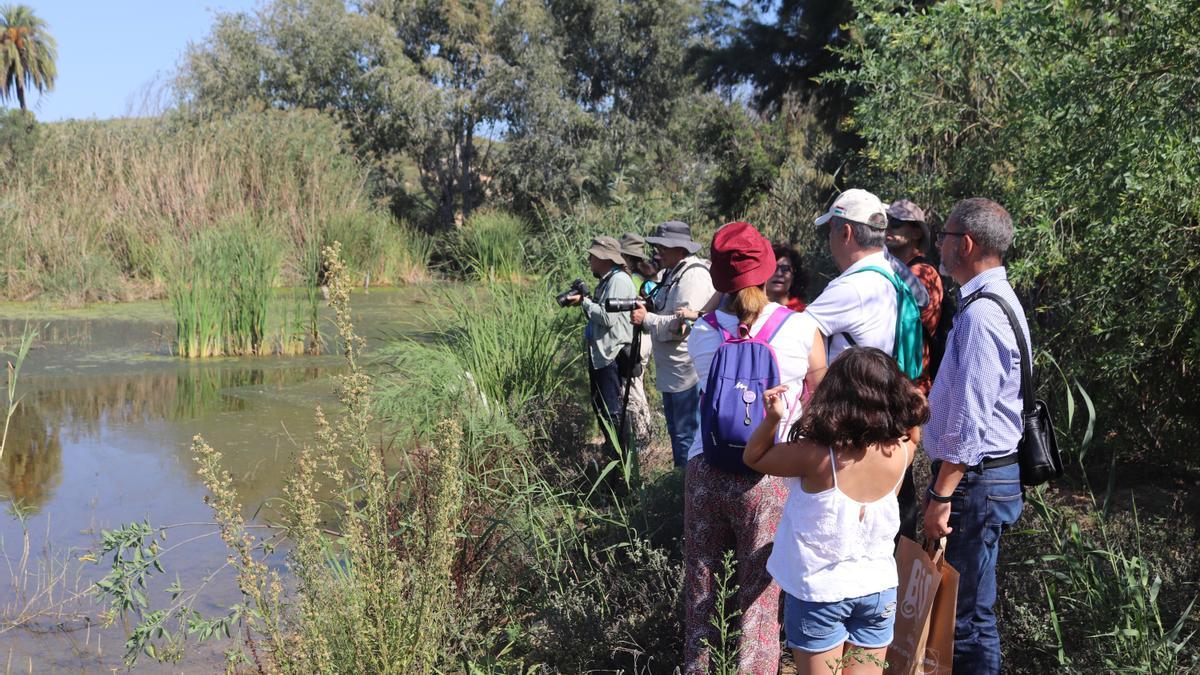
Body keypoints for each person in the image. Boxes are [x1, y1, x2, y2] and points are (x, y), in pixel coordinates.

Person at [683, 221, 826, 673]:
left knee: (701, 587)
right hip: (768, 471)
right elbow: (820, 395)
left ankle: (699, 667)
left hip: (705, 468)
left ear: (719, 279)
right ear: (767, 271)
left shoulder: (702, 334)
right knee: (759, 598)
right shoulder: (802, 328)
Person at [744, 347, 929, 675]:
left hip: (820, 592)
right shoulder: (901, 451)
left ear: (836, 394)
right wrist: (914, 402)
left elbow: (754, 457)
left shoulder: (815, 456)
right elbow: (914, 430)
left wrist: (773, 417)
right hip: (878, 589)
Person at [922, 198, 1028, 675]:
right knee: (970, 613)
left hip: (975, 484)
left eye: (943, 236)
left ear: (964, 244)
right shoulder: (991, 302)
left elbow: (970, 423)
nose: (938, 246)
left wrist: (940, 493)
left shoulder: (983, 315)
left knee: (962, 619)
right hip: (985, 480)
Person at [804, 188, 923, 542]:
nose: (829, 240)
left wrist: (818, 398)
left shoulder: (852, 287)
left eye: (830, 231)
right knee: (895, 520)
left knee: (857, 528)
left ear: (846, 233)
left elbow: (802, 332)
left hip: (857, 425)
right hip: (896, 413)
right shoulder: (896, 271)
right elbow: (926, 298)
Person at [630, 221, 716, 468]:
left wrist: (646, 318)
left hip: (686, 374)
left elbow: (683, 326)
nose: (657, 251)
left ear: (680, 249)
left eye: (663, 247)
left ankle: (687, 495)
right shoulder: (673, 271)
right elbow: (670, 310)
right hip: (673, 373)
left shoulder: (694, 276)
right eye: (657, 246)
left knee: (686, 439)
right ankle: (683, 493)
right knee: (678, 435)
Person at [563, 236, 636, 457]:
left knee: (611, 411)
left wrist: (584, 302)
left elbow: (607, 317)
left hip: (611, 355)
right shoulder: (607, 280)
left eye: (592, 255)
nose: (589, 259)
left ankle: (620, 457)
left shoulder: (619, 281)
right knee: (601, 407)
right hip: (602, 354)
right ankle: (613, 453)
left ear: (604, 258)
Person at [886, 199, 944, 393]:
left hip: (913, 388)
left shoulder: (924, 273)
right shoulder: (895, 270)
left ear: (917, 232)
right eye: (886, 221)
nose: (888, 227)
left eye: (896, 223)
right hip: (896, 384)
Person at [618, 232, 656, 450]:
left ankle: (642, 439)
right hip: (646, 336)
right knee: (635, 385)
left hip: (637, 338)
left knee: (633, 387)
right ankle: (640, 435)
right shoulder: (646, 278)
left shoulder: (629, 279)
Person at [768, 241, 807, 311]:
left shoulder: (802, 313)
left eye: (785, 268)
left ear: (793, 276)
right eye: (773, 268)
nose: (779, 273)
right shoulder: (748, 312)